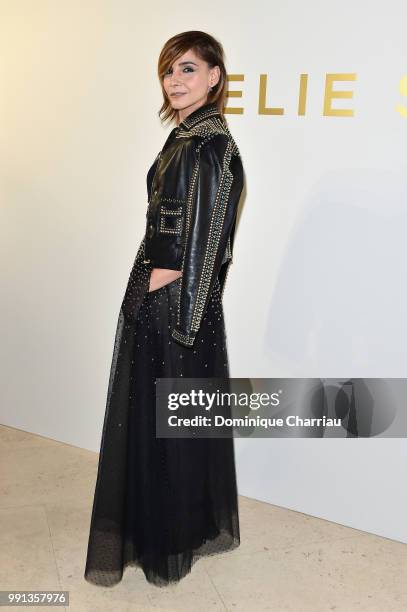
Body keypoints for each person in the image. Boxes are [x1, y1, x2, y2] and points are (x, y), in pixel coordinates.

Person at [84, 30, 245, 588]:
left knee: (164, 424)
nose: (176, 81)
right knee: (171, 423)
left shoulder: (205, 145)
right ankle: (180, 527)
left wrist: (150, 298)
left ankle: (168, 538)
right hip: (177, 307)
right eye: (169, 72)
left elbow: (196, 243)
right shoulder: (194, 138)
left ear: (214, 77)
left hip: (172, 309)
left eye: (189, 70)